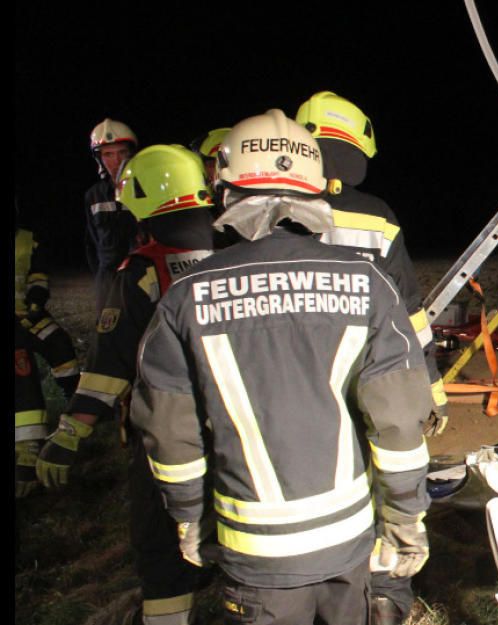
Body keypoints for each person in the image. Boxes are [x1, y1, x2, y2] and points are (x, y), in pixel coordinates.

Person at [130, 110, 433, 624]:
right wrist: (405, 517)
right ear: (317, 192)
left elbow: (169, 431)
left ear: (225, 191)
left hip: (254, 553)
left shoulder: (185, 297)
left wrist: (188, 519)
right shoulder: (369, 283)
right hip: (350, 539)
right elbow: (400, 423)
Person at [37, 145, 218, 624]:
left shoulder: (139, 272)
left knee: (161, 550)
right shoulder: (237, 256)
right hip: (244, 431)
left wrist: (70, 432)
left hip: (166, 438)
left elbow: (110, 365)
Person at [296, 91, 446, 623]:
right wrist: (429, 384)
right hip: (377, 376)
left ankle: (315, 586)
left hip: (299, 384)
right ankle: (385, 598)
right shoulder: (377, 216)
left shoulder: (273, 213)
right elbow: (410, 312)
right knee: (391, 478)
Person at [14, 208, 81, 498]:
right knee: (21, 364)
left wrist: (36, 301)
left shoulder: (28, 239)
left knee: (59, 344)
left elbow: (38, 275)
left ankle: (76, 402)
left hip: (27, 316)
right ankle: (27, 445)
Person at [85, 118, 141, 312]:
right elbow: (92, 243)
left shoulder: (146, 189)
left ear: (132, 154)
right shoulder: (93, 195)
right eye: (108, 154)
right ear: (99, 159)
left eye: (122, 152)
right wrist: (101, 279)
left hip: (140, 275)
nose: (116, 161)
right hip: (107, 279)